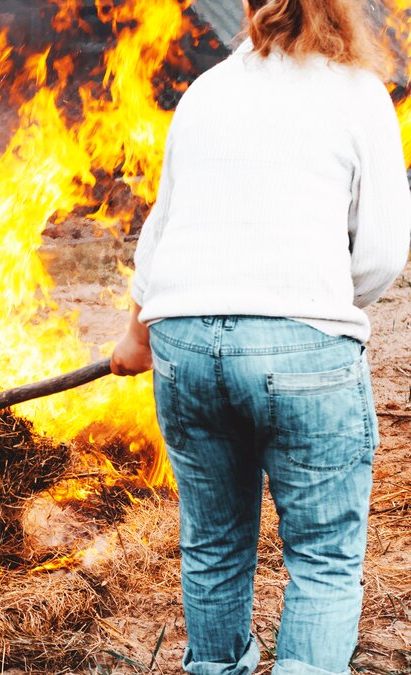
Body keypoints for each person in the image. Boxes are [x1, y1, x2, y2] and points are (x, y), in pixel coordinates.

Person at [110, 0, 411, 673]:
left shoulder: (206, 92)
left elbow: (160, 233)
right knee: (325, 559)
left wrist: (137, 336)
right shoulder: (362, 94)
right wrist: (320, 299)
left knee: (213, 547)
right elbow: (386, 252)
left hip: (185, 344)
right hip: (304, 350)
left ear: (247, 8)